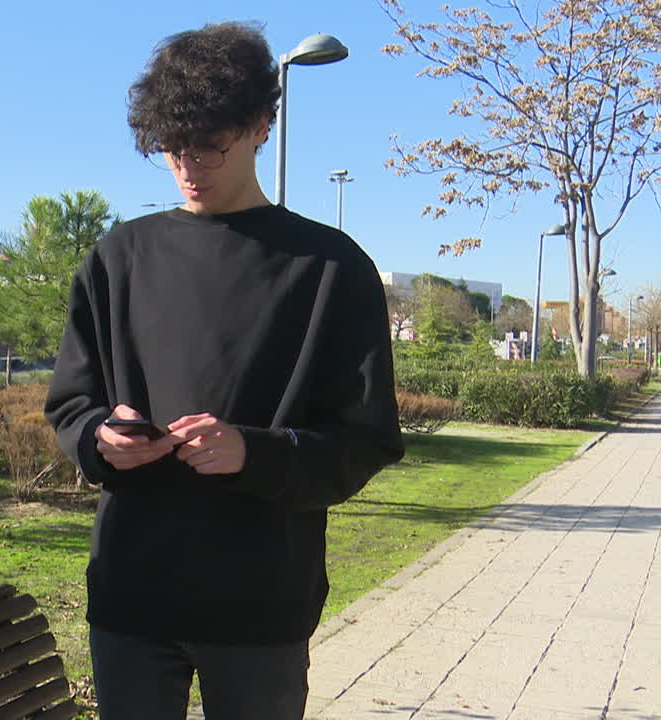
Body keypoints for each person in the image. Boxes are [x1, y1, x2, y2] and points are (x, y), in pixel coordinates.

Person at [44, 22, 405, 720]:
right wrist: (100, 438)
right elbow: (71, 403)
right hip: (130, 594)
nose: (189, 165)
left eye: (210, 143)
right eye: (172, 147)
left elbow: (366, 440)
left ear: (262, 124)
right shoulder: (119, 258)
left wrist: (256, 452)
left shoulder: (331, 269)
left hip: (261, 601)